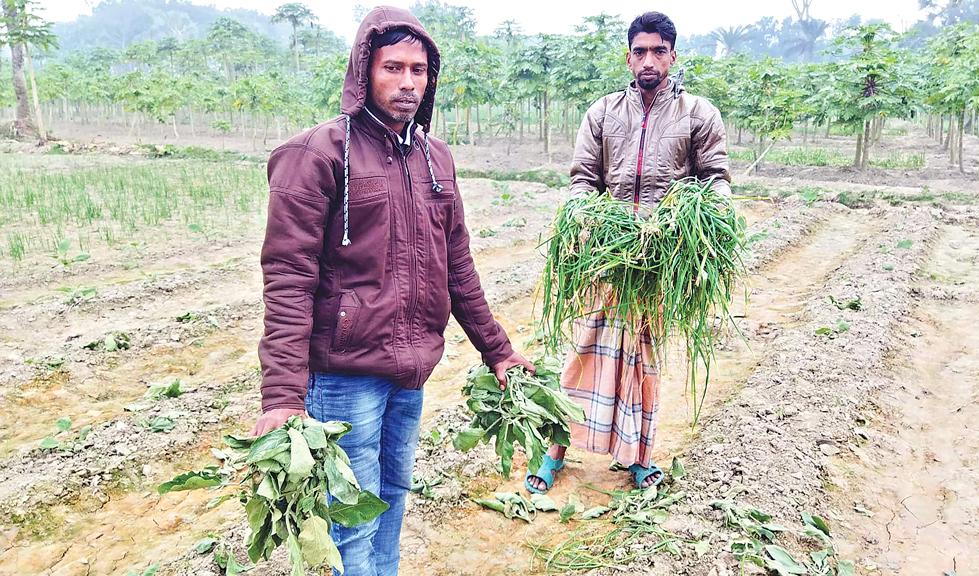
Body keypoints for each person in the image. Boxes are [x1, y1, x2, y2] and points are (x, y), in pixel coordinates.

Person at [251, 6, 532, 575]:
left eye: (419, 70)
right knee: (350, 524)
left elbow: (458, 267)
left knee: (393, 500)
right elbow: (288, 279)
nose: (408, 83)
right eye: (393, 68)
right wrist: (281, 396)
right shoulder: (318, 155)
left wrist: (497, 349)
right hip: (343, 375)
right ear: (364, 71)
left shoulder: (434, 158)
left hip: (409, 373)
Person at [525, 11, 731, 494]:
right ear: (628, 56)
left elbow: (715, 179)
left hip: (660, 259)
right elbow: (582, 180)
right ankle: (555, 448)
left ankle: (639, 457)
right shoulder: (603, 113)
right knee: (584, 349)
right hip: (608, 251)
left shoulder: (698, 114)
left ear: (673, 55)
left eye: (659, 51)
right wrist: (583, 217)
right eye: (640, 51)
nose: (648, 60)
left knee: (643, 360)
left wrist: (700, 224)